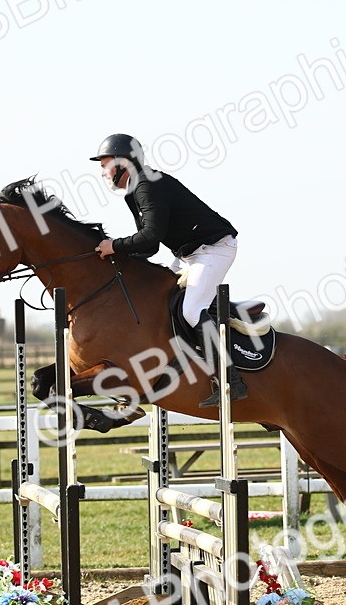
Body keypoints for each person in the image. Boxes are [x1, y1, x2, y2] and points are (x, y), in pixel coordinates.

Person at [90, 133, 247, 408]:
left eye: (105, 164)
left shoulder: (148, 186)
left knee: (190, 310)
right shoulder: (135, 191)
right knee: (162, 298)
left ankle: (231, 380)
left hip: (214, 248)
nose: (103, 172)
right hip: (189, 254)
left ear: (124, 163)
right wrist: (118, 257)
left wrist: (115, 245)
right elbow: (150, 248)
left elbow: (150, 236)